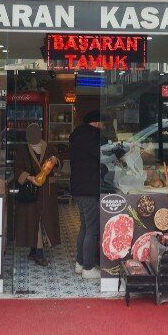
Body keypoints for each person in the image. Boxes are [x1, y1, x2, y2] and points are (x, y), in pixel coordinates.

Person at [13, 123, 60, 267]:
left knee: (43, 219)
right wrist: (30, 178)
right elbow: (17, 169)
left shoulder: (49, 148)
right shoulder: (22, 149)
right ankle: (38, 252)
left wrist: (55, 161)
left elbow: (59, 163)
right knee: (33, 220)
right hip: (31, 191)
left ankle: (35, 250)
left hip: (47, 192)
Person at [69, 110, 104, 279]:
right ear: (96, 123)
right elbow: (101, 157)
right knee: (92, 229)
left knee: (84, 226)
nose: (103, 126)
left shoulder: (77, 135)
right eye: (102, 123)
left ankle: (80, 263)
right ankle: (88, 268)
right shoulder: (92, 136)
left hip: (78, 188)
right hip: (89, 189)